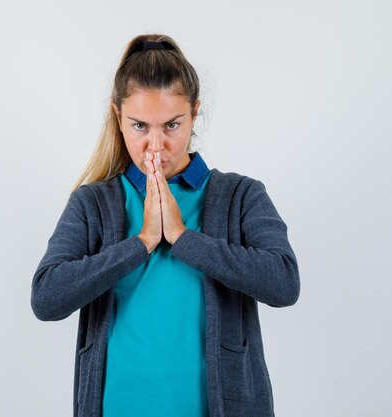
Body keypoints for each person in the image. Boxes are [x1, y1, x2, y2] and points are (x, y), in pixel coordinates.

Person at [30, 33, 300, 417]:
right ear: (117, 118)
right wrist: (141, 243)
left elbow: (284, 283)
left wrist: (183, 238)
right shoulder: (92, 203)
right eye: (140, 126)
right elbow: (46, 298)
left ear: (194, 114)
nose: (155, 146)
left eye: (172, 125)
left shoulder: (241, 195)